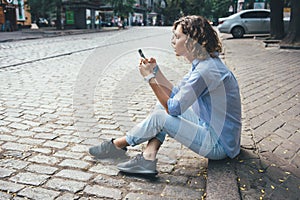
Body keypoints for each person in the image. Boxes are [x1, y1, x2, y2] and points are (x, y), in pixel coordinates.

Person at [89, 15, 241, 175]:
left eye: (177, 37)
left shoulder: (205, 71)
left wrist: (150, 79)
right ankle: (147, 157)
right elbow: (176, 96)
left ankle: (116, 145)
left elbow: (174, 109)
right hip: (219, 132)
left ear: (192, 41)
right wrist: (156, 71)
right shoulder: (205, 63)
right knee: (161, 106)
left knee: (161, 117)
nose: (173, 41)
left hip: (219, 144)